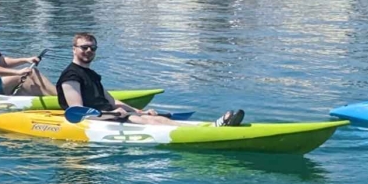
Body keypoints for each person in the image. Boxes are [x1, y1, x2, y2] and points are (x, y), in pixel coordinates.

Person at [57, 32, 243, 126]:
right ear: (74, 49)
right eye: (84, 47)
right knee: (151, 123)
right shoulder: (71, 76)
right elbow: (78, 113)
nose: (89, 51)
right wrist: (114, 115)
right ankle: (213, 130)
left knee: (157, 117)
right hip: (100, 120)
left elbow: (112, 101)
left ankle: (212, 126)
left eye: (93, 48)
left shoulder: (91, 74)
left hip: (110, 115)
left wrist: (140, 110)